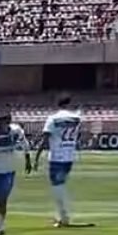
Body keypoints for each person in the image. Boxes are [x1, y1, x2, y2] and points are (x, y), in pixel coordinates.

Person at [35, 96, 82, 227]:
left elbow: (45, 138)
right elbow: (77, 135)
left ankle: (63, 216)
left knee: (57, 186)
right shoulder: (76, 118)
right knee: (61, 185)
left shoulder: (53, 118)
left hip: (57, 156)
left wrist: (37, 156)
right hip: (69, 155)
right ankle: (61, 214)